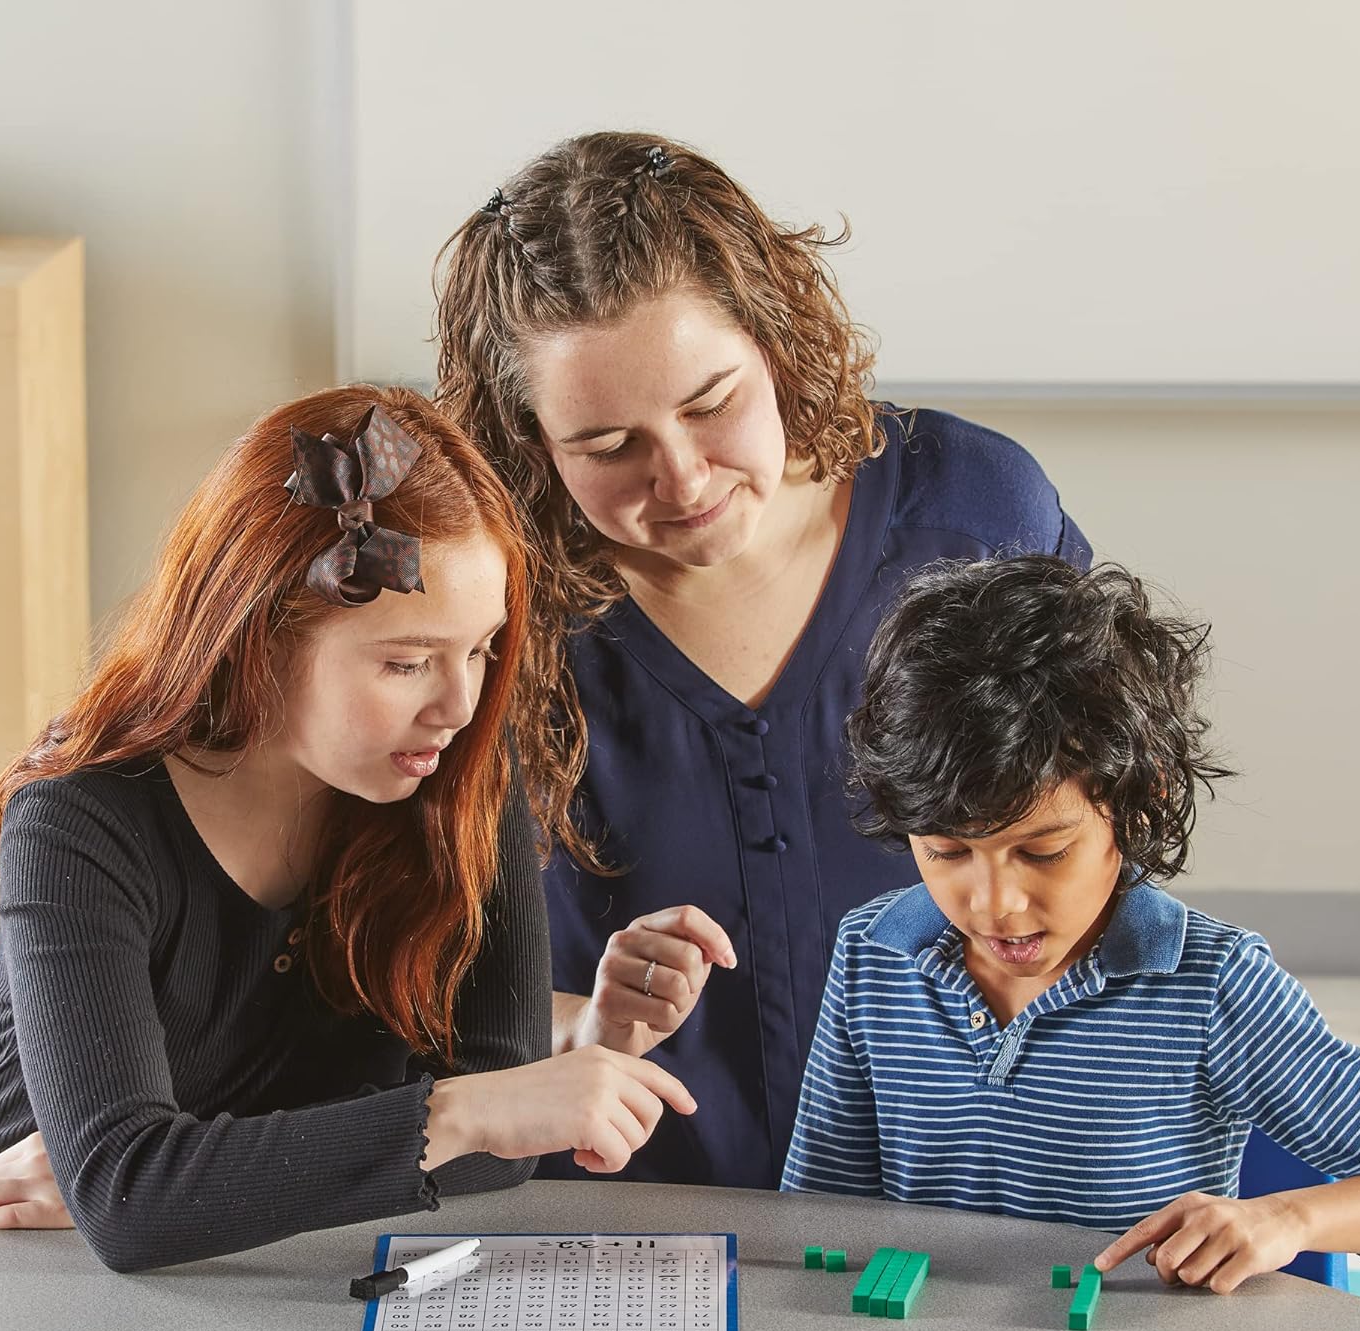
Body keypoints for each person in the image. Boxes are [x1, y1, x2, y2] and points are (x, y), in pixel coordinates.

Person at [435, 131, 1090, 1187]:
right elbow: (406, 984)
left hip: (961, 1192)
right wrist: (578, 1026)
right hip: (621, 1218)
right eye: (608, 447)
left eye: (711, 405)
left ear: (774, 338)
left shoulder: (974, 514)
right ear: (529, 442)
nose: (685, 479)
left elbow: (1099, 867)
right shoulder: (478, 601)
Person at [0, 386, 695, 1269]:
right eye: (408, 662)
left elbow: (499, 1149)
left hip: (254, 1251)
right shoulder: (79, 814)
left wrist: (190, 1177)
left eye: (479, 649)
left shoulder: (462, 772)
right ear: (262, 638)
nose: (460, 705)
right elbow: (130, 1205)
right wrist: (452, 1116)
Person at [781, 556, 1360, 1290]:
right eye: (947, 852)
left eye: (1042, 851)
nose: (995, 904)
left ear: (1139, 803)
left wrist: (1289, 1218)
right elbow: (819, 1224)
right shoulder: (873, 952)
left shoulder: (1214, 986)